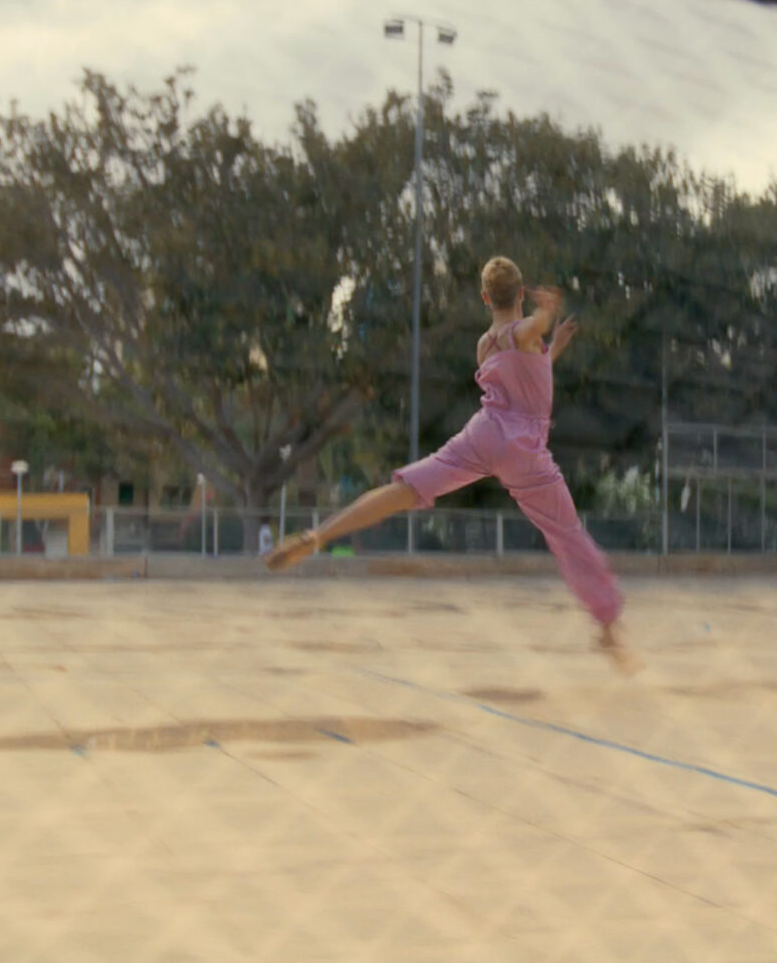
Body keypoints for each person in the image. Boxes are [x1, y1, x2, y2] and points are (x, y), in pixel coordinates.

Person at [265, 257, 640, 675]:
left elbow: (524, 373)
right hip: (523, 451)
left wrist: (553, 346)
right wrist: (546, 312)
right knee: (567, 535)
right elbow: (526, 335)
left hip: (484, 435)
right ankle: (608, 624)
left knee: (405, 490)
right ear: (520, 293)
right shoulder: (522, 331)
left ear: (485, 298)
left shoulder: (485, 344)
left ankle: (318, 535)